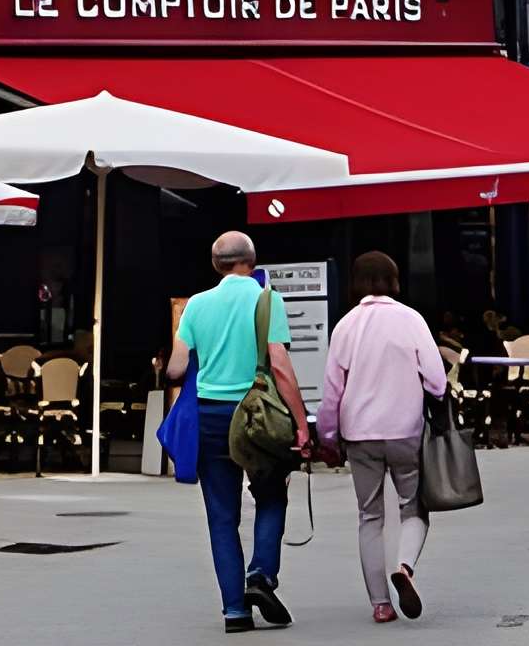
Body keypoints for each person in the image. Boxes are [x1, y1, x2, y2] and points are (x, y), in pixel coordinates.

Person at [167, 233, 312, 633]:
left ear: (216, 265)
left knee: (221, 517)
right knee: (270, 496)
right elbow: (279, 365)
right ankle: (261, 575)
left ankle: (235, 611)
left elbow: (176, 370)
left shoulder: (196, 305)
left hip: (211, 418)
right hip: (258, 417)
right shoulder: (268, 300)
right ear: (252, 261)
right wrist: (301, 424)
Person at [317, 251, 446, 625]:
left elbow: (331, 392)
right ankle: (404, 566)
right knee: (413, 508)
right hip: (405, 431)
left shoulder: (345, 326)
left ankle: (381, 604)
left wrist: (327, 437)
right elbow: (437, 383)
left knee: (369, 516)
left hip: (359, 435)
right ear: (395, 281)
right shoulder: (412, 320)